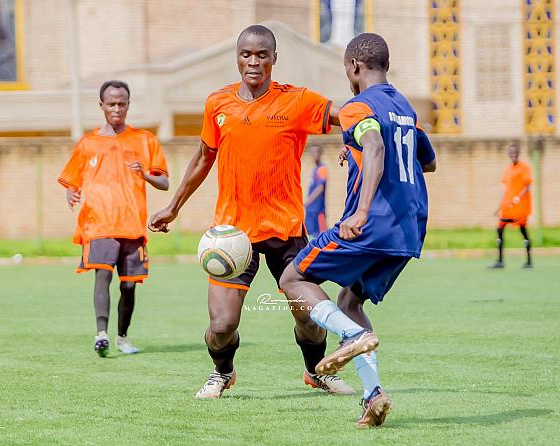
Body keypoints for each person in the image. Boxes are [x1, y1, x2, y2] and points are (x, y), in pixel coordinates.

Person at [148, 25, 354, 399]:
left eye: (262, 55)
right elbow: (203, 158)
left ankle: (316, 372)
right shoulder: (218, 104)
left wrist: (355, 140)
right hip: (232, 235)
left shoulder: (297, 100)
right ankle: (222, 372)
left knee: (308, 316)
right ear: (238, 58)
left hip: (286, 231)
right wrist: (173, 207)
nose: (254, 62)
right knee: (222, 325)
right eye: (246, 54)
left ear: (274, 58)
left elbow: (348, 116)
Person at [278, 33, 437, 428]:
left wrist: (362, 210)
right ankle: (373, 395)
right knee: (350, 301)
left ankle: (351, 336)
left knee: (292, 278)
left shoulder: (358, 106)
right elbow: (427, 161)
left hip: (372, 224)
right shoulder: (404, 107)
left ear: (353, 67)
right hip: (409, 229)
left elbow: (376, 146)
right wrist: (357, 149)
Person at [58, 80, 169, 357]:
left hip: (132, 225)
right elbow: (72, 180)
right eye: (111, 104)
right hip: (99, 223)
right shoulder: (87, 143)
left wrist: (145, 174)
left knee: (129, 285)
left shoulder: (145, 140)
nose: (117, 108)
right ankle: (101, 334)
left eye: (122, 103)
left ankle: (122, 337)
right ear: (102, 106)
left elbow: (164, 182)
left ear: (128, 105)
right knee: (102, 274)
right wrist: (71, 193)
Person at [489, 144, 533, 269]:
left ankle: (529, 261)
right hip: (507, 207)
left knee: (523, 231)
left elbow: (528, 186)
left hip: (519, 208)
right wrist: (499, 207)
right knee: (499, 230)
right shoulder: (507, 170)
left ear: (518, 153)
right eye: (511, 153)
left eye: (515, 153)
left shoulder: (524, 168)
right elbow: (506, 191)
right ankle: (500, 261)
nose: (513, 155)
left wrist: (519, 197)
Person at [304, 144, 328, 239]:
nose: (315, 154)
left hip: (318, 209)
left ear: (320, 153)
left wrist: (307, 202)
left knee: (320, 235)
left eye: (317, 152)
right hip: (311, 210)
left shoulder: (322, 169)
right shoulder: (315, 169)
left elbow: (320, 188)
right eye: (312, 152)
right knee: (309, 235)